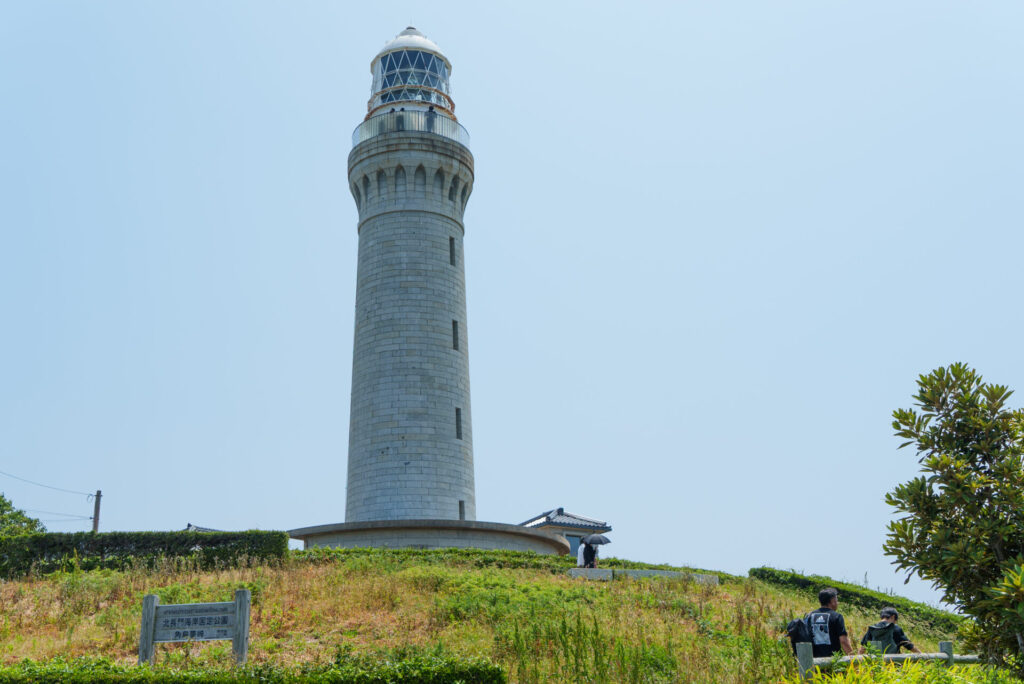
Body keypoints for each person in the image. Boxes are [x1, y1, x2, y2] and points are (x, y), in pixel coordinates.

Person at [808, 588, 854, 657]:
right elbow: (843, 641)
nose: (837, 603)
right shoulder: (837, 616)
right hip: (833, 660)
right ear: (832, 601)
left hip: (813, 660)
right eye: (836, 600)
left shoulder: (810, 616)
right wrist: (853, 659)